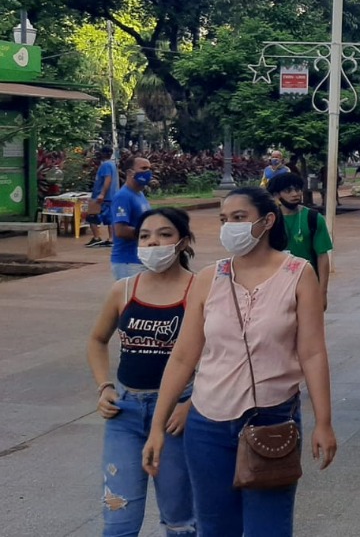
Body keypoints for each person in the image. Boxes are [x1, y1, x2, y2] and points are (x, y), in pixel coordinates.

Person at [142, 188, 337, 535]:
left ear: (267, 221)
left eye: (238, 218)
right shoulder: (208, 279)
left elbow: (312, 353)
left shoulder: (298, 273)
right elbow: (184, 356)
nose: (229, 226)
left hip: (273, 419)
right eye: (223, 219)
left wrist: (324, 421)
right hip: (207, 424)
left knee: (269, 528)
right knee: (215, 527)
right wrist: (157, 427)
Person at [88, 208, 197, 536]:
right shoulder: (123, 290)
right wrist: (104, 386)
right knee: (118, 518)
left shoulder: (200, 291)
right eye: (145, 235)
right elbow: (96, 340)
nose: (153, 242)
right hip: (125, 413)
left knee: (180, 521)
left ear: (183, 241)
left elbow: (223, 356)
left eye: (165, 234)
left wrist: (191, 405)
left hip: (178, 417)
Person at [268, 172, 332, 308]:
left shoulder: (313, 218)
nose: (295, 194)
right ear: (276, 195)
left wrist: (322, 292)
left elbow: (322, 256)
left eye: (297, 189)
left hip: (306, 283)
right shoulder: (269, 220)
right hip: (276, 284)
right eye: (288, 190)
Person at [111, 157, 154, 280]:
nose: (148, 172)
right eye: (144, 168)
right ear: (130, 173)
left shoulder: (139, 194)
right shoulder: (123, 197)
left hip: (141, 259)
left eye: (149, 169)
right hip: (128, 262)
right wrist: (150, 235)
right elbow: (120, 230)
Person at [87, 146, 119, 248]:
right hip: (110, 196)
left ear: (103, 154)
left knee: (91, 216)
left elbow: (107, 179)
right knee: (110, 218)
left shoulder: (106, 165)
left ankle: (97, 237)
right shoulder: (112, 164)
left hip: (101, 197)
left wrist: (102, 194)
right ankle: (111, 238)